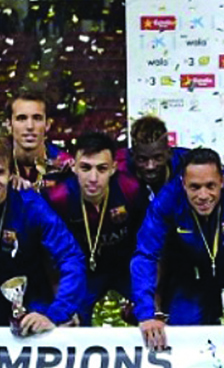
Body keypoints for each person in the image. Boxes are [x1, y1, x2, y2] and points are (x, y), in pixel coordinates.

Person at [131, 147, 224, 350]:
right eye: (195, 187)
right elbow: (145, 255)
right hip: (192, 278)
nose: (203, 195)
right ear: (183, 183)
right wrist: (146, 314)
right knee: (181, 340)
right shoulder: (168, 198)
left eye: (210, 186)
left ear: (222, 181)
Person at [44, 132, 145, 324]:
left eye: (102, 168)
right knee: (69, 323)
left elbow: (148, 244)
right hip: (82, 272)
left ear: (113, 168)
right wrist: (61, 303)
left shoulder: (130, 189)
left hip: (127, 268)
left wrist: (150, 300)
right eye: (85, 168)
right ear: (74, 167)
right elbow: (51, 256)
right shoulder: (59, 198)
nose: (93, 178)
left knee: (150, 315)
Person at [0, 139, 86, 334]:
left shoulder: (30, 206)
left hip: (30, 300)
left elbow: (71, 257)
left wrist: (56, 314)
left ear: (11, 174)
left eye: (0, 172)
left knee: (47, 325)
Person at [4, 88, 72, 190]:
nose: (30, 126)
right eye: (22, 118)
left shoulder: (65, 166)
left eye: (37, 118)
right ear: (9, 125)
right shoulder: (2, 161)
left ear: (47, 124)